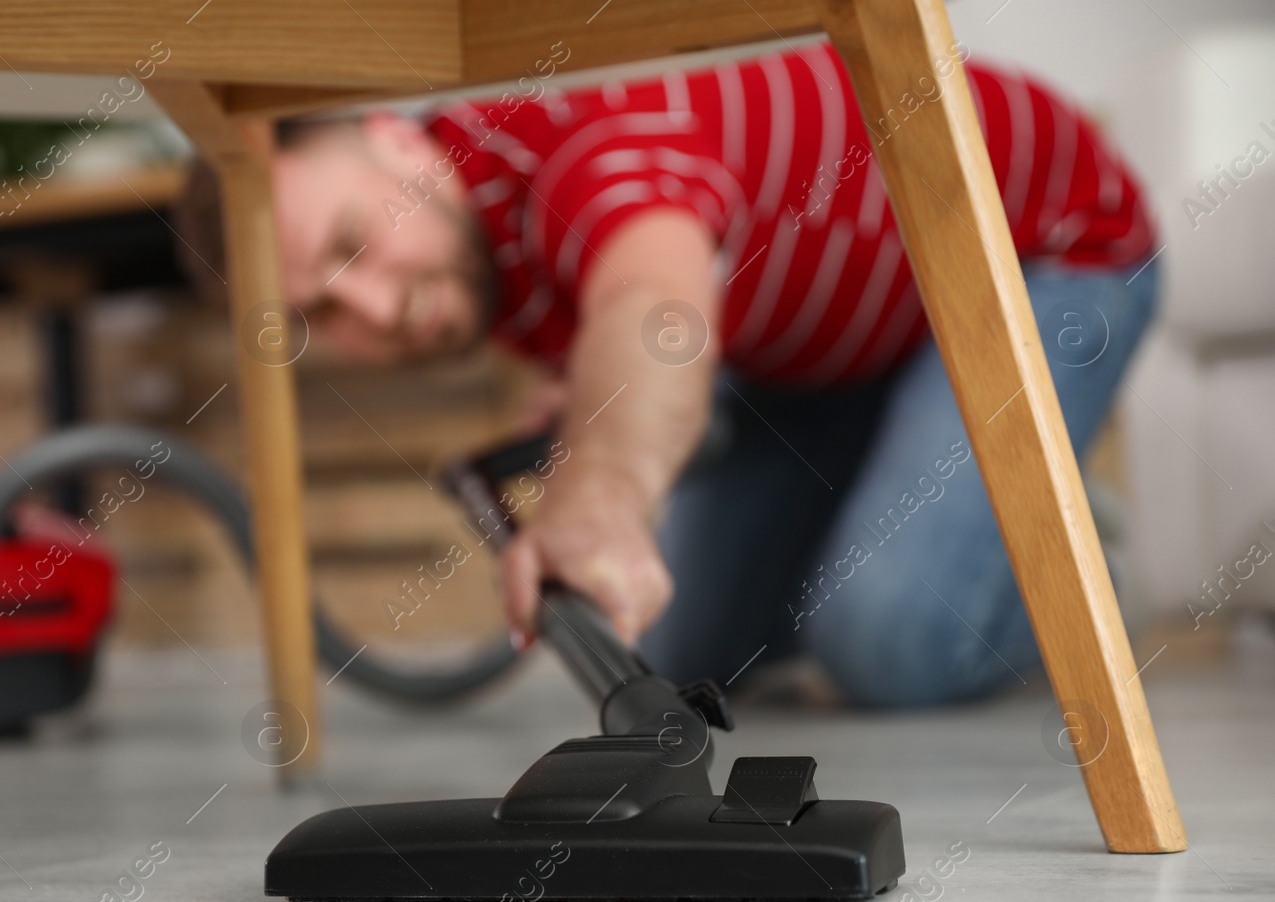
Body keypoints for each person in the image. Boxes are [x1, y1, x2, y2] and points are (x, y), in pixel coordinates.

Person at [177, 40, 1159, 706]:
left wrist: (597, 498)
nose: (380, 310)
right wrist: (580, 397)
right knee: (692, 653)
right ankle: (944, 499)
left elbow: (655, 309)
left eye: (356, 242)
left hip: (1040, 257)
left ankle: (1061, 561)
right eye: (320, 314)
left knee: (886, 641)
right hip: (824, 345)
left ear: (396, 140)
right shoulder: (479, 255)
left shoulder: (561, 140)